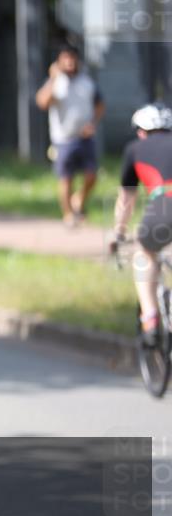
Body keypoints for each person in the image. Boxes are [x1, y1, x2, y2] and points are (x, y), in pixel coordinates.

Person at [111, 102, 172, 345]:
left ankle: (150, 318)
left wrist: (118, 232)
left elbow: (126, 198)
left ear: (141, 131)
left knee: (144, 255)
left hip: (163, 208)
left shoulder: (135, 148)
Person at [35, 44, 106, 227]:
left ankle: (79, 200)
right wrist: (53, 79)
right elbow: (42, 102)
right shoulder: (56, 83)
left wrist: (93, 123)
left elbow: (99, 105)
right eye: (65, 59)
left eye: (72, 58)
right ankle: (68, 214)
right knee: (66, 178)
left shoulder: (86, 82)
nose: (69, 62)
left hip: (85, 137)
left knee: (92, 175)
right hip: (63, 139)